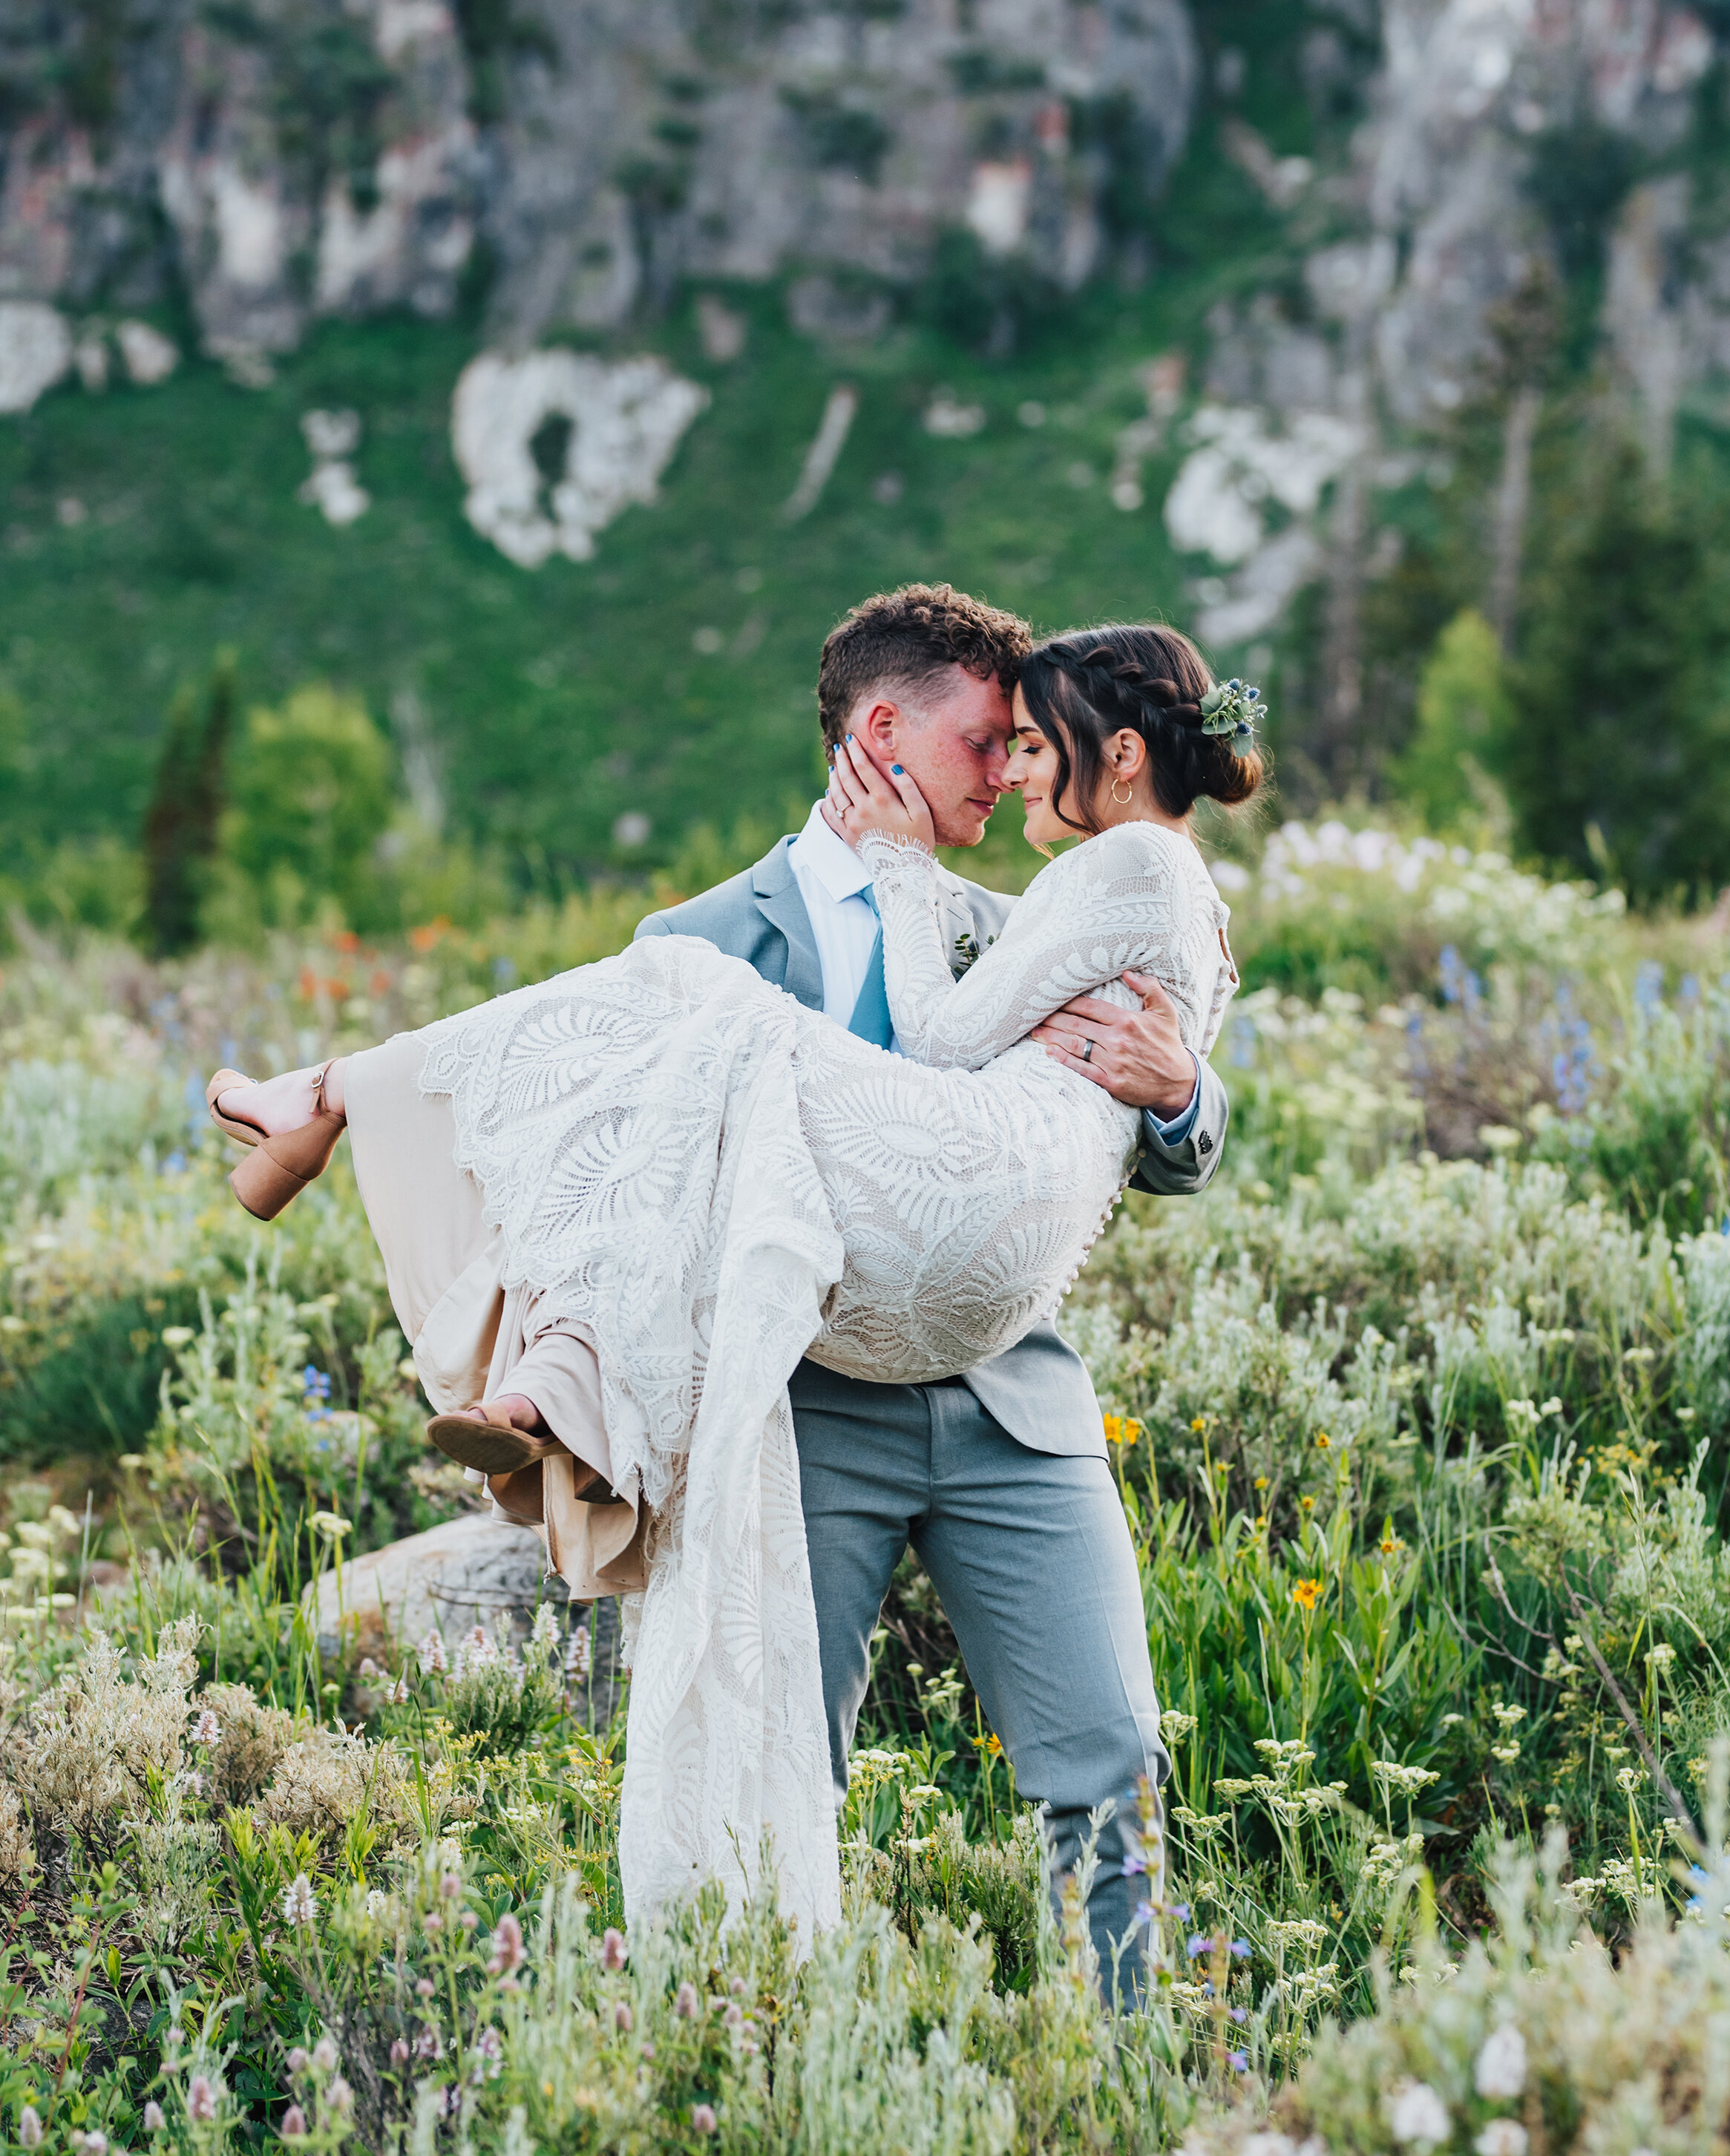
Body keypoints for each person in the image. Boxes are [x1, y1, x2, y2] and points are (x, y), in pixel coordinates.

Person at [207, 598, 1260, 1982]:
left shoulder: (1021, 911)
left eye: (1025, 745)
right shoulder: (697, 941)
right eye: (985, 740)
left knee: (1112, 1758)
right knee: (773, 1752)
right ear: (881, 732)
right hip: (806, 1407)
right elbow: (619, 1183)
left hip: (1007, 1402)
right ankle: (761, 2057)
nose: (1008, 771)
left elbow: (1146, 1118)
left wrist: (1183, 1093)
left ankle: (1129, 2068)